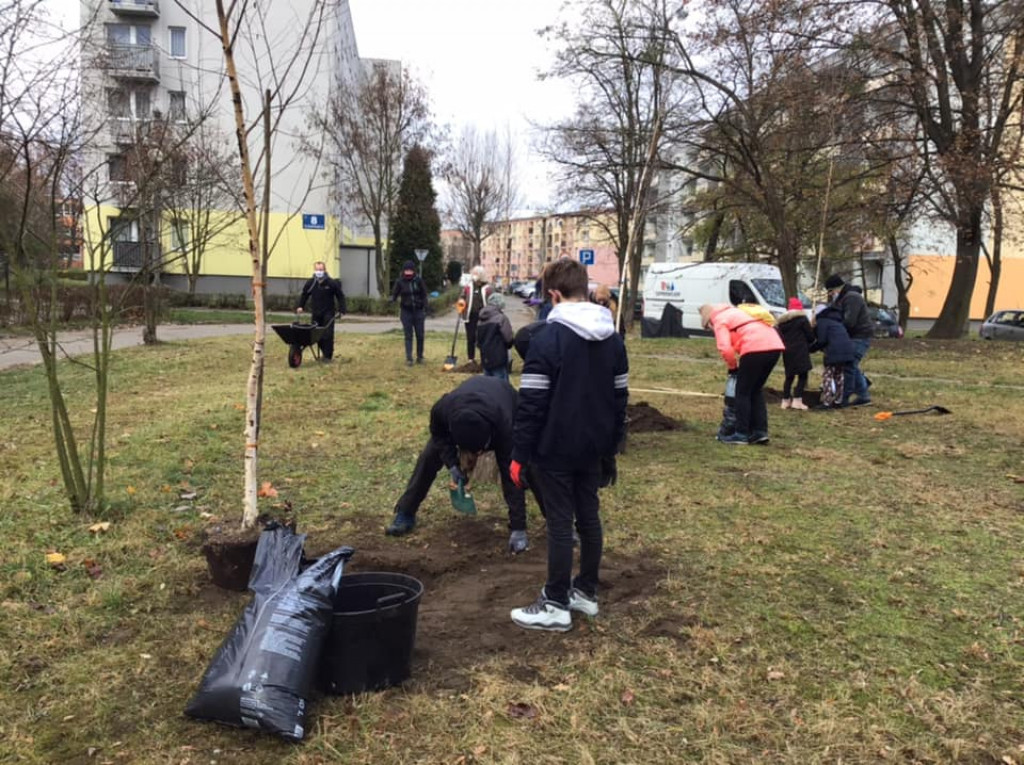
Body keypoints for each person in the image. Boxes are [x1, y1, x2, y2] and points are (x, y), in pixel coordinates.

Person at [509, 259, 629, 632]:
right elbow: (620, 400)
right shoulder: (613, 339)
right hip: (593, 446)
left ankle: (556, 604)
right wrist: (611, 448)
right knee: (589, 518)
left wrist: (518, 455)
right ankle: (586, 593)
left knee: (561, 524)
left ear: (553, 295)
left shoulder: (546, 340)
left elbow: (530, 405)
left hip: (554, 448)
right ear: (586, 290)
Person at [385, 375, 532, 553]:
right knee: (429, 455)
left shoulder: (504, 423)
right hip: (468, 404)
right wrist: (452, 463)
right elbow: (439, 436)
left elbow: (509, 473)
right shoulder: (443, 410)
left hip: (505, 401)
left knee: (525, 467)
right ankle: (406, 512)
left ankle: (556, 521)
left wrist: (519, 527)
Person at [700, 303, 785, 445]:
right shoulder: (737, 312)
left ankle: (741, 433)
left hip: (754, 347)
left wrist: (732, 368)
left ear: (709, 321)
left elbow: (725, 348)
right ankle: (760, 432)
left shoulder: (719, 320)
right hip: (774, 346)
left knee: (742, 392)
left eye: (708, 328)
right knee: (755, 390)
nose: (711, 330)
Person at [824, 274, 873, 406]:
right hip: (852, 336)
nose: (830, 294)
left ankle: (846, 395)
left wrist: (835, 330)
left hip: (859, 336)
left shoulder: (852, 298)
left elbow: (850, 321)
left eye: (830, 291)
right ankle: (863, 395)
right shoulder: (843, 298)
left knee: (849, 365)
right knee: (851, 365)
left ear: (836, 288)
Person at [295, 261, 346, 362]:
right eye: (317, 270)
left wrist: (342, 309)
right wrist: (300, 306)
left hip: (328, 313)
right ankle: (323, 352)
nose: (319, 272)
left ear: (325, 270)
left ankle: (327, 356)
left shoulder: (331, 283)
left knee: (328, 335)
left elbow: (340, 296)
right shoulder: (311, 283)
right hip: (316, 312)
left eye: (321, 270)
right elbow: (305, 294)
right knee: (317, 335)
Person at [811, 303, 855, 408]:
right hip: (847, 350)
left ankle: (826, 402)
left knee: (828, 375)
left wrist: (810, 349)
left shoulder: (822, 322)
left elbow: (822, 340)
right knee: (839, 375)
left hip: (834, 351)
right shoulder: (836, 321)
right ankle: (838, 401)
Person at [775, 296, 814, 410]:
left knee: (789, 376)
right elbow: (810, 337)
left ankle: (785, 400)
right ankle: (797, 399)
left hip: (787, 351)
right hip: (800, 350)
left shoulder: (782, 323)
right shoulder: (802, 320)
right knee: (803, 375)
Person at [390, 260, 428, 366]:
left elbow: (424, 294)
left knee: (420, 335)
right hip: (406, 311)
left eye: (410, 271)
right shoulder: (400, 281)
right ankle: (409, 358)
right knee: (408, 335)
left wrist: (426, 307)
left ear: (413, 271)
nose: (408, 273)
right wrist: (392, 300)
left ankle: (420, 356)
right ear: (403, 271)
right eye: (406, 271)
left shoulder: (418, 280)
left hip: (418, 311)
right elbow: (395, 294)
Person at [476, 293, 513, 380]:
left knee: (488, 385)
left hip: (485, 357)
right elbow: (508, 338)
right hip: (499, 357)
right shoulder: (501, 318)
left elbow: (478, 341)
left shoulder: (480, 319)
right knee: (501, 383)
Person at [460, 266, 493, 364]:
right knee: (471, 338)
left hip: (483, 317)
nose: (474, 276)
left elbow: (492, 300)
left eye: (476, 274)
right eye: (473, 273)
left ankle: (484, 358)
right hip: (470, 316)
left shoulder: (488, 288)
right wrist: (461, 303)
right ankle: (471, 359)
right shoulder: (468, 287)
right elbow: (462, 297)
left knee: (482, 338)